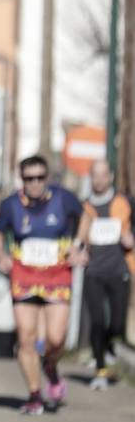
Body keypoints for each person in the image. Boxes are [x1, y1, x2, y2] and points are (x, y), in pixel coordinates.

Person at [0, 155, 85, 415]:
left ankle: (51, 368)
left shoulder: (63, 197)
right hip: (24, 275)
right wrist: (0, 256)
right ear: (22, 180)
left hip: (57, 274)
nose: (35, 183)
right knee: (26, 338)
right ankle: (34, 395)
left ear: (47, 178)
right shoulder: (11, 204)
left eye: (40, 178)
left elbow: (85, 218)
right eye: (29, 178)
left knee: (56, 339)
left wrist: (78, 246)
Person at [78, 159, 133, 389]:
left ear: (110, 176)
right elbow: (77, 236)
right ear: (90, 178)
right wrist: (80, 251)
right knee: (98, 321)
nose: (99, 180)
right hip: (94, 272)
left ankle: (110, 346)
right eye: (95, 175)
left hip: (119, 270)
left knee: (118, 323)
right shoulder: (84, 207)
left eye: (103, 175)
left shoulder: (124, 201)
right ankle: (100, 369)